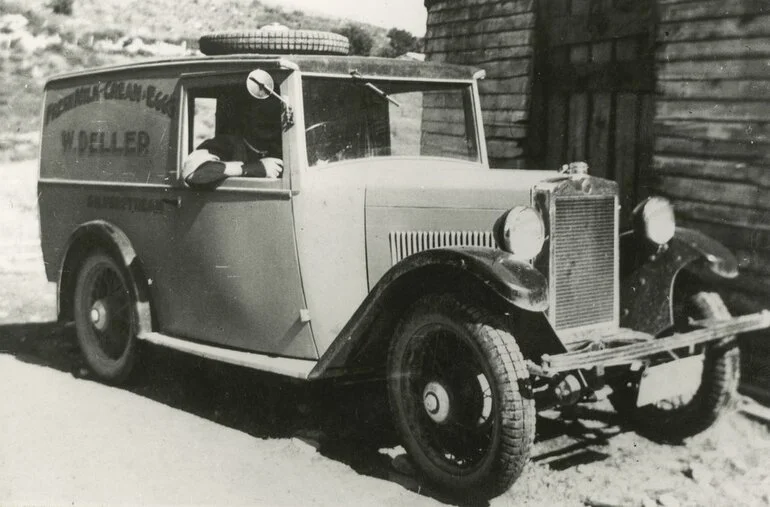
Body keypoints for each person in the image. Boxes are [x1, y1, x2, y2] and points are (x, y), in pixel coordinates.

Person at [182, 92, 284, 188]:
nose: (268, 120)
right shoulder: (226, 144)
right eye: (261, 113)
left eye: (273, 114)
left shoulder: (283, 147)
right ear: (246, 117)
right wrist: (254, 168)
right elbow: (194, 174)